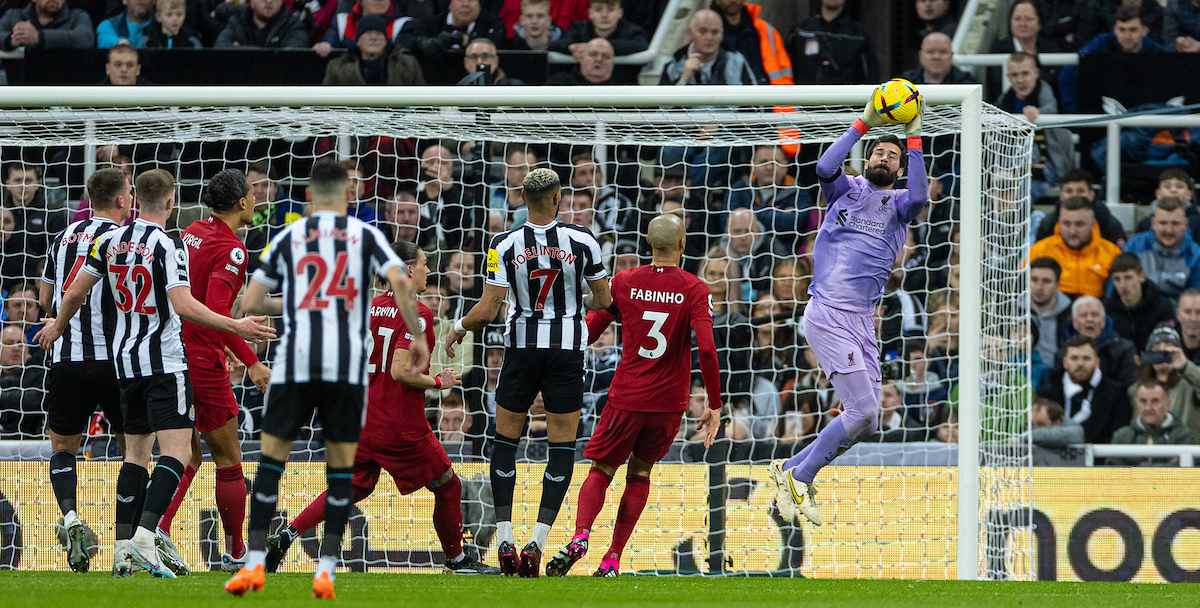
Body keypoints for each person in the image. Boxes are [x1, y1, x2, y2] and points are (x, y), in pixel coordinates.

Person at [35, 169, 274, 578]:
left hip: (123, 363)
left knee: (136, 454)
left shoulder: (116, 240)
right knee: (187, 454)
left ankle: (124, 548)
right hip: (167, 361)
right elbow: (185, 306)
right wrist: (239, 332)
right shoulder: (170, 244)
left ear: (135, 200)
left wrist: (57, 326)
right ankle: (156, 537)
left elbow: (73, 291)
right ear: (169, 201)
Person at [225, 158, 426, 598]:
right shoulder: (367, 236)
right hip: (346, 370)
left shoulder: (290, 236)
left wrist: (294, 303)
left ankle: (254, 564)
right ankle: (326, 571)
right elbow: (402, 284)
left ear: (310, 196)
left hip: (297, 364)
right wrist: (416, 335)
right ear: (348, 194)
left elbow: (250, 301)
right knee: (341, 471)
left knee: (272, 463)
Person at [264, 241, 497, 575]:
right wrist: (437, 382)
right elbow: (400, 372)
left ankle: (287, 535)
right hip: (400, 425)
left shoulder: (366, 307)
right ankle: (456, 560)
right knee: (449, 485)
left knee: (352, 486)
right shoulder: (418, 313)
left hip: (360, 418)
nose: (429, 271)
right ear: (407, 270)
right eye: (425, 264)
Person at [443, 168, 611, 577]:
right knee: (560, 447)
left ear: (521, 196)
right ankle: (537, 541)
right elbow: (604, 300)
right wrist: (575, 295)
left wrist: (457, 328)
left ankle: (504, 539)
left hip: (519, 350)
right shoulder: (583, 240)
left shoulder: (502, 243)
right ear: (558, 198)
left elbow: (488, 309)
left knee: (504, 442)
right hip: (566, 353)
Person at [773, 89, 928, 526]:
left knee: (870, 422)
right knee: (862, 412)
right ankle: (801, 478)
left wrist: (912, 133)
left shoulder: (899, 204)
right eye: (877, 151)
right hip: (827, 312)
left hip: (862, 320)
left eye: (891, 156)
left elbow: (918, 196)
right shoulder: (846, 190)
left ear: (899, 168)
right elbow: (823, 166)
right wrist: (863, 122)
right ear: (866, 158)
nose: (883, 156)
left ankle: (789, 469)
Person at [544, 211, 722, 578]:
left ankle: (580, 535)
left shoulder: (623, 281)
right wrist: (714, 403)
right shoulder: (695, 288)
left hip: (626, 396)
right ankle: (612, 557)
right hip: (668, 404)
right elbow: (706, 349)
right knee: (639, 473)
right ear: (682, 244)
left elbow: (591, 332)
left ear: (647, 243)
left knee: (602, 469)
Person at [149, 170, 272, 575]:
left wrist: (225, 345)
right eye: (253, 194)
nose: (256, 199)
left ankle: (157, 530)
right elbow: (217, 313)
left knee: (188, 453)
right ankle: (237, 553)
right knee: (229, 458)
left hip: (171, 351)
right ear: (241, 203)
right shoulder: (234, 250)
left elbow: (195, 302)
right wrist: (251, 359)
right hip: (199, 358)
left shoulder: (192, 229)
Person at [35, 168, 131, 573]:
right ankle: (127, 542)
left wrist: (64, 322)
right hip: (115, 361)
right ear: (122, 200)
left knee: (63, 448)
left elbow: (44, 297)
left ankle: (71, 518)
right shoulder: (124, 240)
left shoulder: (62, 237)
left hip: (66, 360)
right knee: (134, 449)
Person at [1059, 5, 1166, 113]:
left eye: (1133, 30)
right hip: (1103, 117)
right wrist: (1074, 112)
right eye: (1122, 29)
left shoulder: (1156, 52)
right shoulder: (1100, 44)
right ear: (1114, 30)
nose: (1127, 36)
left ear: (1144, 31)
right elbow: (1068, 74)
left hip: (1144, 120)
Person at [994, 52, 1072, 197]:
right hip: (1013, 164)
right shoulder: (1006, 98)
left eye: (1025, 73)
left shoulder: (1043, 89)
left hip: (1044, 165)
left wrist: (1038, 112)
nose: (1020, 80)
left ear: (1036, 73)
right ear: (1008, 77)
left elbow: (1051, 109)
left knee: (1026, 187)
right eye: (1014, 75)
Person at [1038, 334, 1132, 443]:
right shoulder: (1049, 390)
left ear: (1097, 362)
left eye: (1086, 358)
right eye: (1074, 358)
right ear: (1065, 362)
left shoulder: (1117, 394)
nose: (1080, 364)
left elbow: (1118, 435)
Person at [1027, 196, 1121, 298]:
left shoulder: (1111, 253)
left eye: (1079, 224)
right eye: (1067, 224)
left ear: (1092, 224)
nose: (1072, 231)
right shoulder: (1039, 251)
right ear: (1059, 222)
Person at [1, 163, 69, 288]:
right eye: (17, 181)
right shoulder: (2, 215)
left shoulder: (53, 214)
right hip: (4, 283)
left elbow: (56, 253)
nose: (23, 186)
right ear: (8, 184)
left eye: (28, 181)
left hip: (38, 286)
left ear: (37, 184)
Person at [1129, 325, 1200, 441]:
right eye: (1157, 350)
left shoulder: (1190, 385)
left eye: (1168, 351)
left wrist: (1185, 366)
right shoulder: (1137, 389)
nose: (1162, 355)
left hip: (1184, 448)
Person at [1124, 197, 1200, 301]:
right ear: (1153, 223)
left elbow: (1196, 301)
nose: (1168, 230)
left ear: (1186, 224)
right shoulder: (1136, 245)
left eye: (1175, 223)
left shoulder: (1195, 254)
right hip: (1139, 312)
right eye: (1163, 223)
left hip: (1177, 314)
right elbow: (1117, 287)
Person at [986, 0, 1066, 98]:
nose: (1023, 24)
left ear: (1040, 23)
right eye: (1017, 19)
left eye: (1028, 19)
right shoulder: (999, 49)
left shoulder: (1051, 49)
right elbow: (995, 85)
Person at [788, 0, 879, 85]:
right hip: (804, 98)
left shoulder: (859, 35)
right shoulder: (802, 29)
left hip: (844, 100)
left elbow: (871, 76)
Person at [1058, 295, 1139, 390]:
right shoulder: (1064, 352)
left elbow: (1130, 385)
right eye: (1084, 315)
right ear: (1074, 323)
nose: (1089, 319)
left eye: (1094, 315)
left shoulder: (1123, 349)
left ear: (1103, 321)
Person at [659, 8, 754, 86]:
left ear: (722, 35)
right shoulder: (673, 65)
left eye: (715, 32)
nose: (709, 37)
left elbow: (755, 103)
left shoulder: (736, 62)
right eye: (703, 31)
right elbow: (659, 108)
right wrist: (683, 79)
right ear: (690, 33)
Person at [322, 14, 426, 85]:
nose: (373, 37)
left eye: (378, 33)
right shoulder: (337, 67)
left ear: (386, 41)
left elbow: (423, 103)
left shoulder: (408, 65)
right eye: (368, 33)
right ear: (358, 41)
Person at [1034, 168, 1127, 246]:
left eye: (1080, 191)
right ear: (1061, 194)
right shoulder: (1048, 224)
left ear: (1091, 194)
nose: (1074, 195)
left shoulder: (1109, 224)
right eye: (1069, 191)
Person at [1111, 378, 1194, 465]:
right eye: (1143, 401)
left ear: (1167, 404)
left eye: (1155, 401)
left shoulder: (1184, 436)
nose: (1148, 407)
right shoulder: (1122, 437)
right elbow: (1113, 474)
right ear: (1137, 404)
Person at [709, 0, 792, 86]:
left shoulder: (765, 30)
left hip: (764, 94)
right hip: (723, 95)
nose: (732, 0)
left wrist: (783, 96)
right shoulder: (705, 31)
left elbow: (785, 72)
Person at [1106, 252, 1176, 351]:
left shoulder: (1161, 306)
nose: (1122, 285)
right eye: (1117, 279)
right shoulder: (1108, 309)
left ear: (1142, 276)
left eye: (1128, 277)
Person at [549, 0, 646, 57]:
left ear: (620, 13)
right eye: (598, 9)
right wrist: (571, 47)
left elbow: (642, 45)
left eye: (610, 9)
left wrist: (593, 48)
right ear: (590, 13)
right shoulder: (579, 28)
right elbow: (557, 44)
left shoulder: (631, 31)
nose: (604, 15)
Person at [0, 0, 94, 50]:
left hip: (65, 79)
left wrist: (39, 37)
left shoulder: (78, 16)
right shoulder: (13, 15)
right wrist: (12, 39)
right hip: (18, 80)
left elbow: (85, 38)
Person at [215, 0, 309, 48]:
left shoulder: (293, 25)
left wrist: (239, 49)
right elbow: (220, 47)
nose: (269, 1)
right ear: (252, 3)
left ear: (281, 2)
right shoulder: (237, 22)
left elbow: (294, 54)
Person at [1030, 257, 1071, 367]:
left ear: (1057, 284)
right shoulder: (1014, 310)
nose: (1039, 287)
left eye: (1046, 281)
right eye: (1034, 280)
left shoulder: (1070, 313)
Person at [899, 32, 975, 85]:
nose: (936, 57)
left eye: (943, 52)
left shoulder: (966, 83)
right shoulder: (906, 82)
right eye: (930, 51)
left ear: (951, 56)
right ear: (920, 56)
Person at [546, 36, 619, 84]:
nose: (599, 59)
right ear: (581, 58)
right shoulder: (559, 84)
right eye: (593, 54)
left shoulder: (622, 91)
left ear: (612, 63)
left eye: (606, 56)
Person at [457, 37, 525, 85]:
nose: (479, 62)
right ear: (465, 62)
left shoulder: (516, 87)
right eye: (473, 57)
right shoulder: (456, 91)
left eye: (485, 56)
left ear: (496, 61)